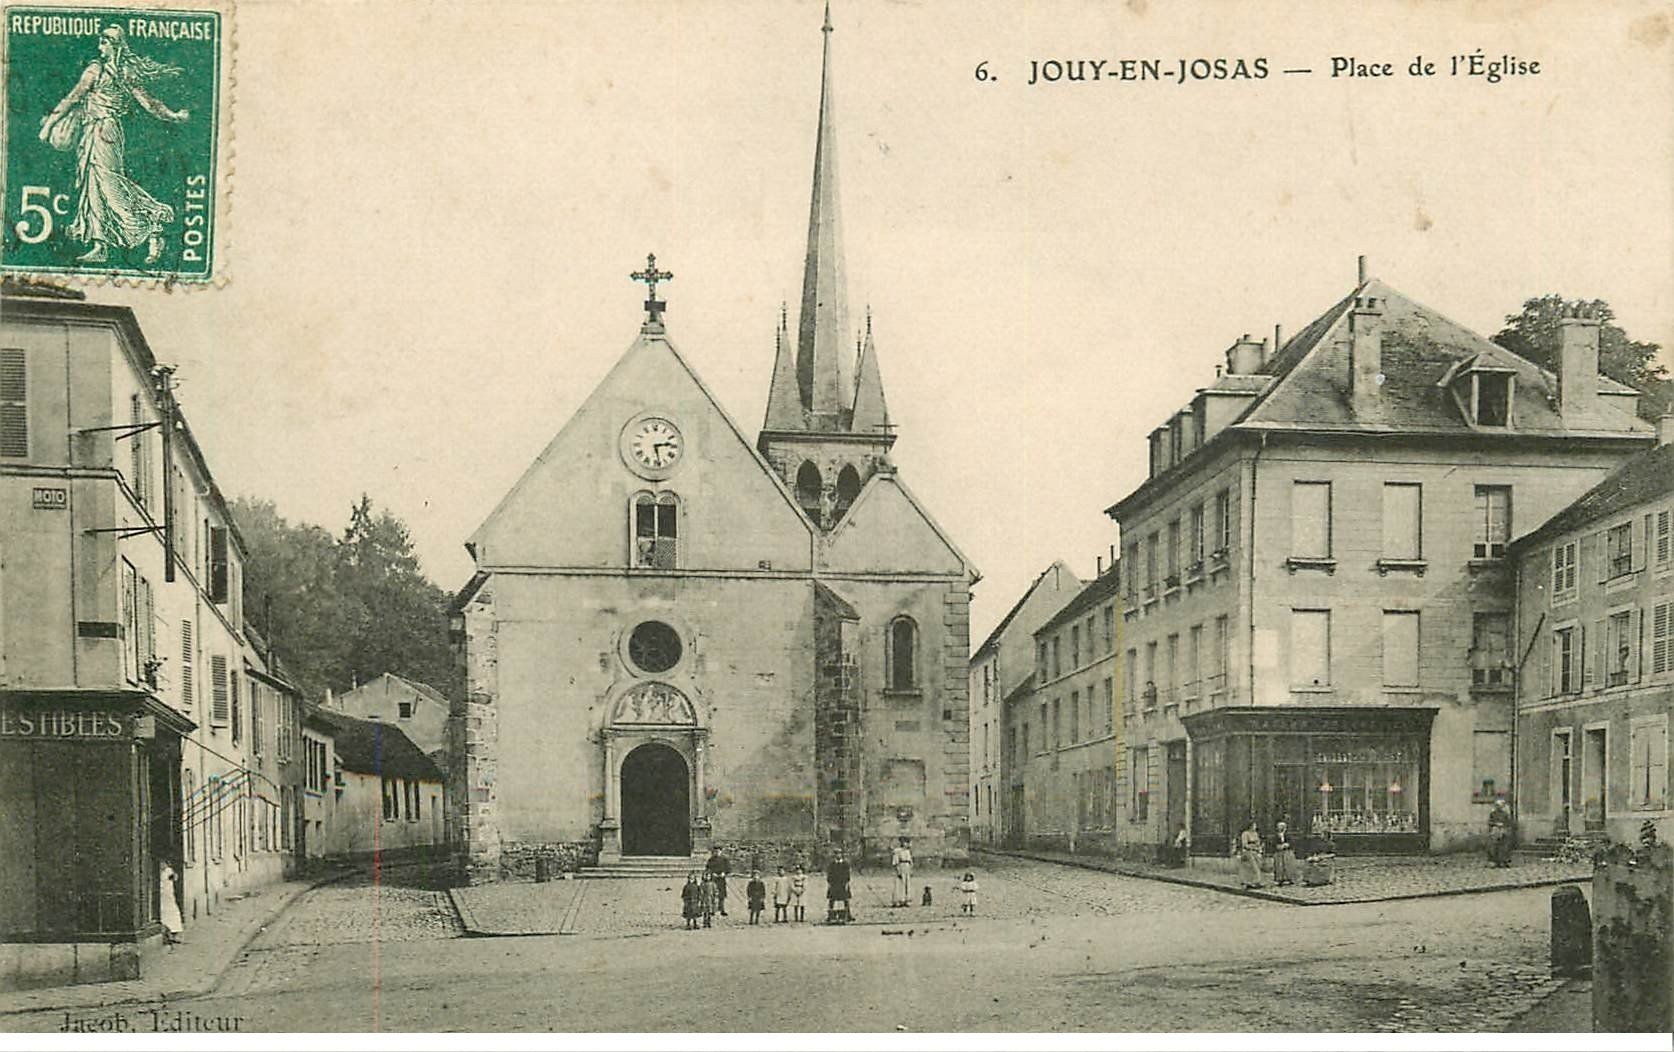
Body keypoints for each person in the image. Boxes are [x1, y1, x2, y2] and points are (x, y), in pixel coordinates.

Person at [36, 26, 190, 265]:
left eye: (105, 41)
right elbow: (74, 97)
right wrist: (174, 116)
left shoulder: (108, 71)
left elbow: (148, 103)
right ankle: (101, 245)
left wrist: (173, 116)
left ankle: (152, 223)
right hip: (93, 131)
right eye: (101, 41)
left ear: (114, 45)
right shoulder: (104, 70)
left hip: (104, 131)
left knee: (109, 184)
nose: (101, 46)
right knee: (93, 186)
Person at [158, 858, 184, 946]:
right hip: (161, 896)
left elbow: (175, 877)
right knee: (163, 913)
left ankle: (175, 934)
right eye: (161, 864)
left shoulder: (168, 871)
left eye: (163, 863)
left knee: (173, 912)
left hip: (168, 896)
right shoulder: (158, 872)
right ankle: (166, 934)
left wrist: (173, 876)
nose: (162, 865)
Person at [1235, 818, 1264, 889]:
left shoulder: (1255, 834)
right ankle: (1248, 882)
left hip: (1255, 852)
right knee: (1252, 867)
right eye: (1254, 825)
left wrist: (1259, 848)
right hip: (1248, 852)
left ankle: (1256, 881)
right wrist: (1252, 847)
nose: (1255, 827)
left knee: (1258, 865)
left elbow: (1258, 843)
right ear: (1250, 826)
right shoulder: (1245, 834)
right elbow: (1245, 844)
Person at [1487, 797, 1514, 868]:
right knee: (1493, 846)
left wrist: (1504, 826)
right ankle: (1494, 861)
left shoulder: (1505, 814)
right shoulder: (1493, 814)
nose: (1499, 807)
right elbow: (1490, 822)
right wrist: (1495, 824)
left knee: (1504, 846)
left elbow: (1508, 822)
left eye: (1500, 806)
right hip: (1495, 830)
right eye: (1498, 805)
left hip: (1503, 830)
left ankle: (1503, 861)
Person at [1271, 820, 1299, 886]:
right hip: (1279, 852)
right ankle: (1280, 879)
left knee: (1288, 865)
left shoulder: (1288, 835)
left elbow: (1292, 842)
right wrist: (1277, 846)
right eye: (1279, 827)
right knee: (1279, 866)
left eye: (1281, 827)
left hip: (1287, 852)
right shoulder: (1275, 835)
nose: (1280, 828)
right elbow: (1273, 844)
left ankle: (1289, 878)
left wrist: (1288, 845)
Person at [826, 851, 852, 923]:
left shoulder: (845, 864)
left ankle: (848, 915)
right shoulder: (832, 864)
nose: (838, 855)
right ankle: (830, 915)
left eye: (839, 854)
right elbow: (829, 874)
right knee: (832, 900)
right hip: (834, 884)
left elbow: (847, 875)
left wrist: (846, 883)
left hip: (843, 884)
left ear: (841, 855)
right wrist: (829, 883)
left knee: (845, 899)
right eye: (836, 854)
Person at [705, 845, 731, 916]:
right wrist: (712, 873)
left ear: (721, 851)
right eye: (715, 851)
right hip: (713, 879)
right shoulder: (711, 860)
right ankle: (712, 910)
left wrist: (724, 873)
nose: (717, 852)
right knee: (713, 895)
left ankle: (722, 909)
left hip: (721, 880)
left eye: (718, 851)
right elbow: (707, 869)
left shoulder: (725, 859)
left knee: (722, 895)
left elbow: (728, 868)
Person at [890, 837, 914, 907]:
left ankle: (906, 900)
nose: (906, 844)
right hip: (901, 867)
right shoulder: (897, 851)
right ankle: (897, 900)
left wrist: (910, 869)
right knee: (899, 884)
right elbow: (895, 862)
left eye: (907, 843)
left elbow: (910, 861)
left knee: (907, 884)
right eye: (904, 842)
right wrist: (898, 870)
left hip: (907, 868)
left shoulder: (907, 851)